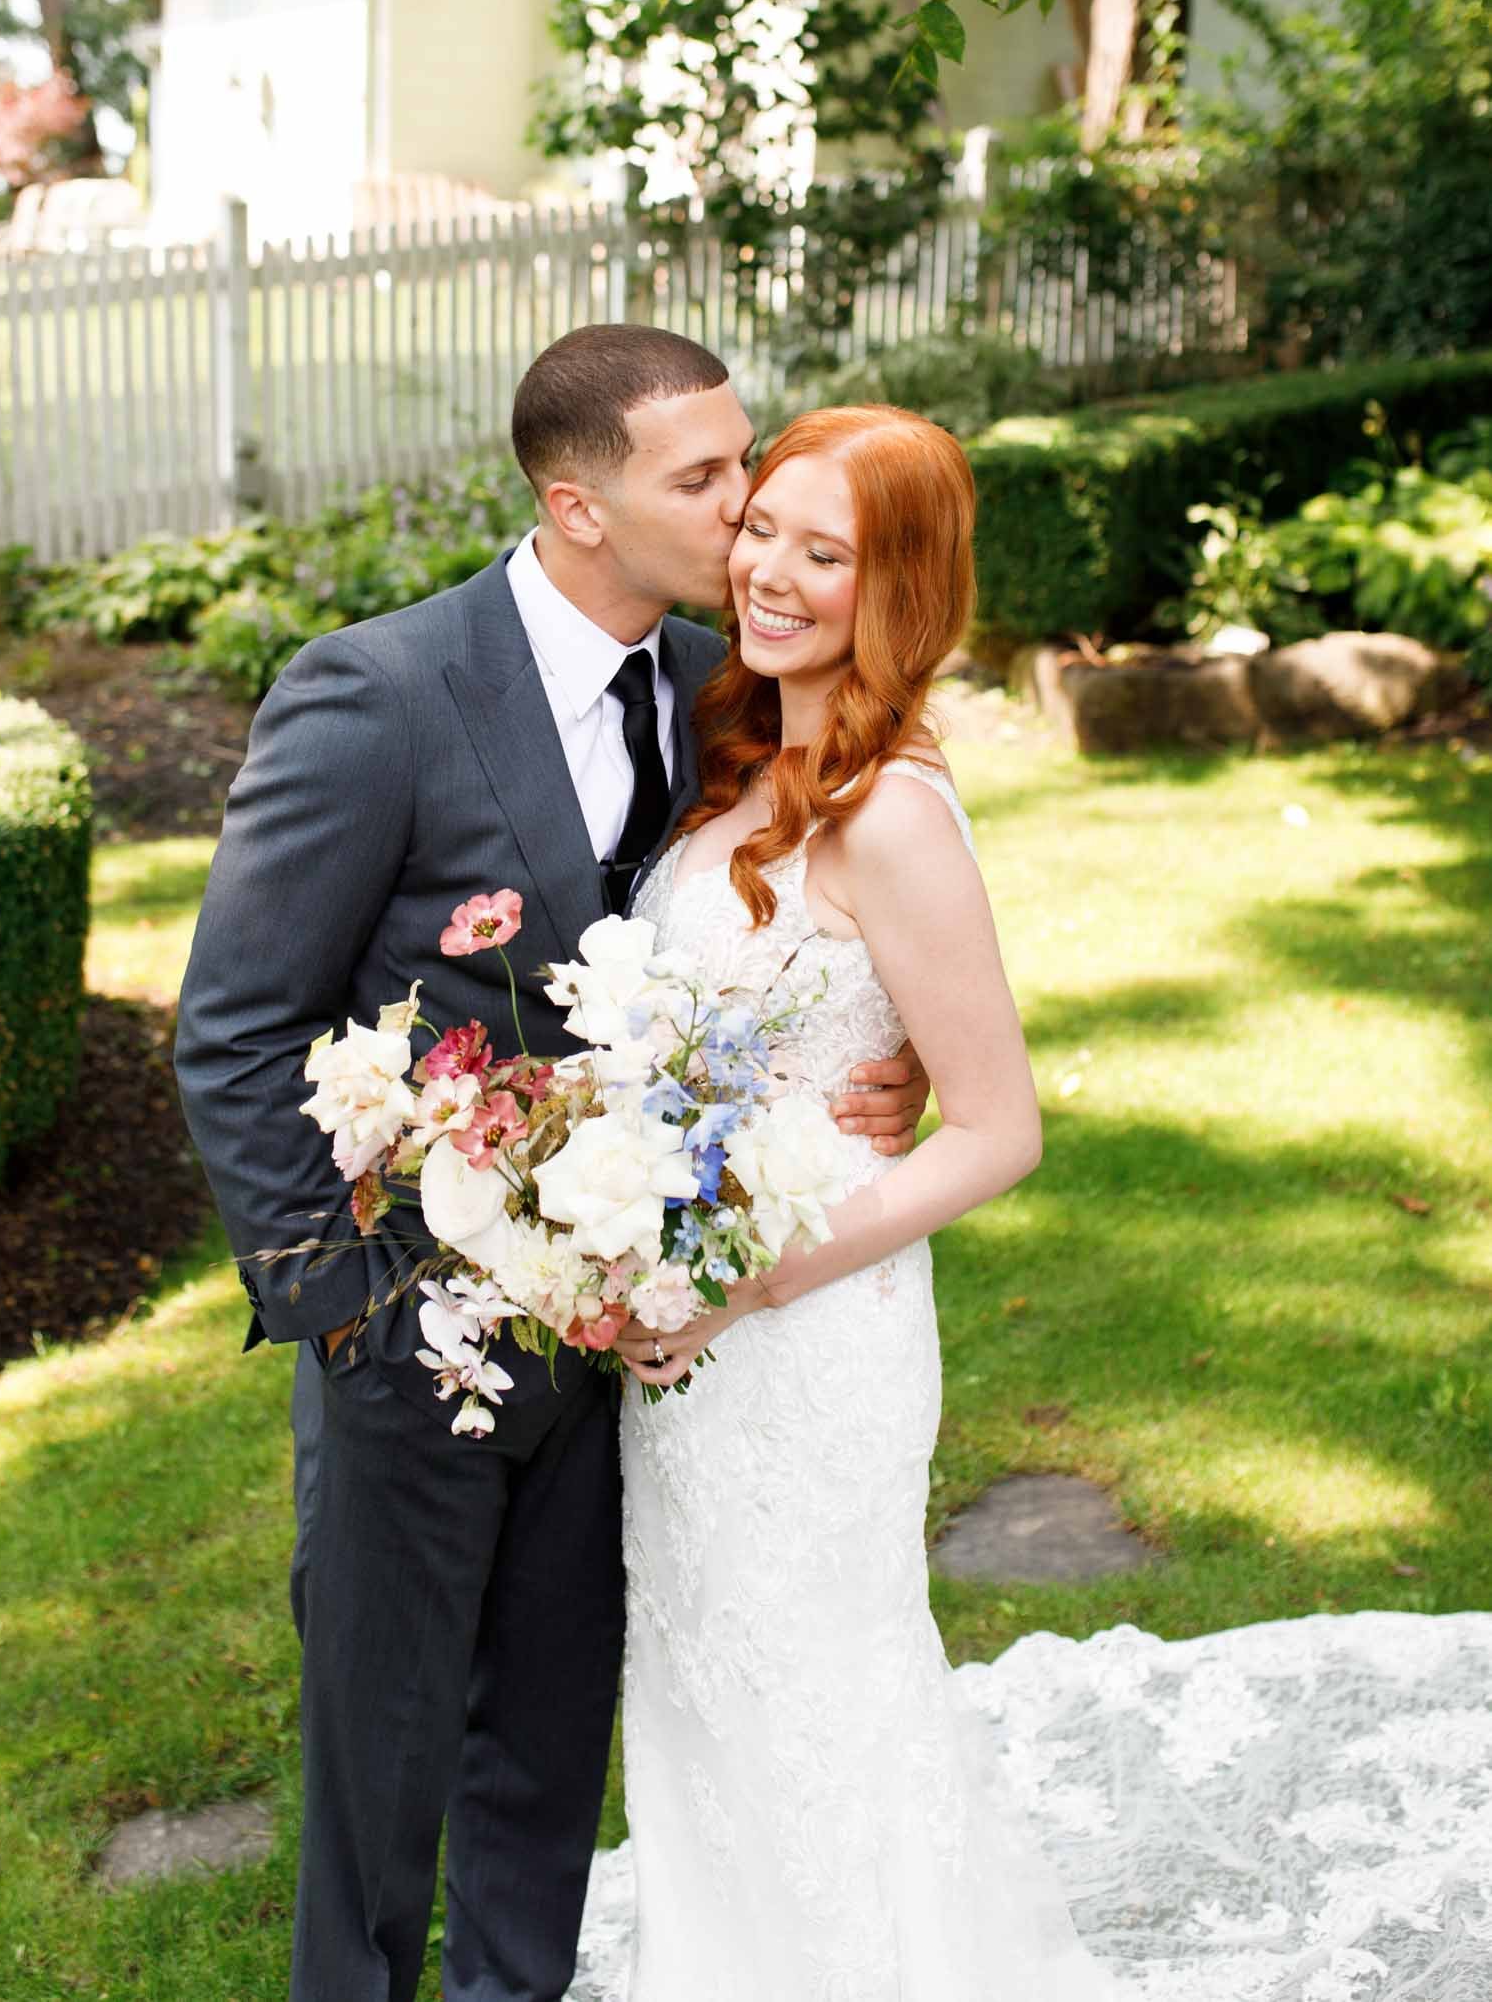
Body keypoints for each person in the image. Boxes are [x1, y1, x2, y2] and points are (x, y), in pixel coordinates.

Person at [173, 331, 931, 2002]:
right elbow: (234, 1027)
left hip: (633, 1344)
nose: (745, 513)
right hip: (415, 1344)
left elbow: (809, 930)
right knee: (382, 1783)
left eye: (743, 464)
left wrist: (893, 1065)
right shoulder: (376, 693)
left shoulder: (703, 691)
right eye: (707, 479)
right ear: (577, 505)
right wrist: (345, 1304)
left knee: (546, 1747)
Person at [596, 403, 1127, 1999]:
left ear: (892, 589)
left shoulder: (892, 811)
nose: (765, 570)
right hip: (686, 1336)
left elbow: (1001, 1129)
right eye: (763, 527)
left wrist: (756, 1274)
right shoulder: (730, 747)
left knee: (820, 1695)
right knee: (704, 1688)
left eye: (822, 555)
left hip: (811, 1336)